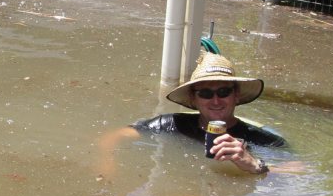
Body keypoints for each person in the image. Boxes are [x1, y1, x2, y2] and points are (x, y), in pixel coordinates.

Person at [100, 52, 285, 176]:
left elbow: (299, 170)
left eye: (223, 92)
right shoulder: (171, 124)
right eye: (205, 93)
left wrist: (254, 164)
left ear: (236, 95)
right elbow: (115, 136)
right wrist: (107, 161)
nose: (215, 101)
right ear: (193, 98)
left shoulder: (260, 139)